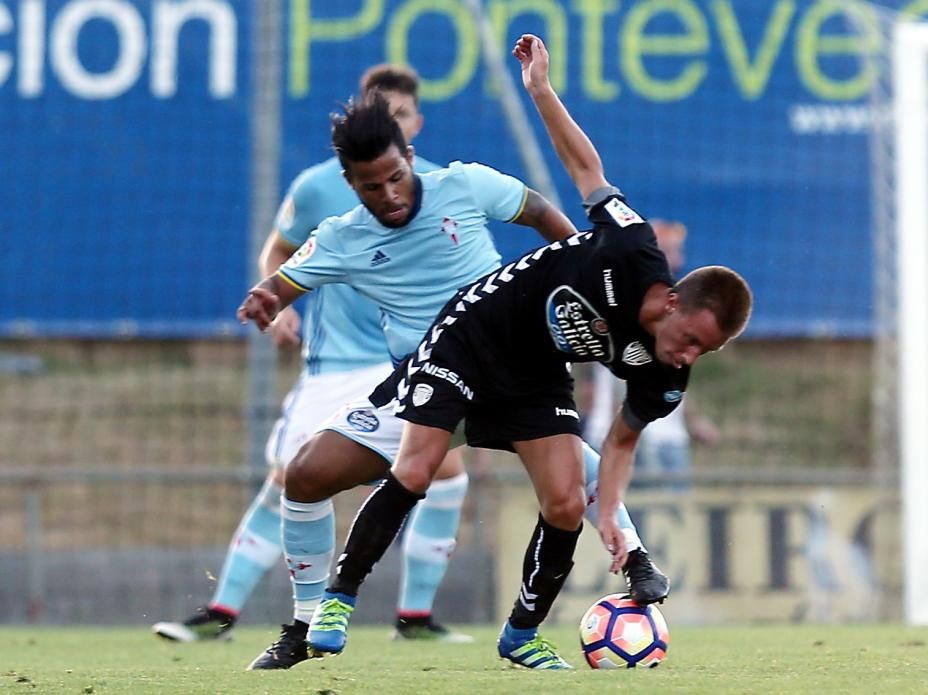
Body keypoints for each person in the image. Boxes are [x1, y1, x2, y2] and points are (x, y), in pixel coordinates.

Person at [287, 33, 752, 670]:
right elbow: (586, 169)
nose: (691, 356)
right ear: (672, 302)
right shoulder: (631, 249)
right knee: (417, 468)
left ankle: (521, 635)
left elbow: (617, 444)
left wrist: (610, 516)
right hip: (473, 332)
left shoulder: (665, 375)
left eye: (709, 352)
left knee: (565, 500)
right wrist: (541, 90)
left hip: (533, 374)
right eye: (694, 340)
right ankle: (338, 597)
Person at [236, 87, 673, 668]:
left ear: (410, 157)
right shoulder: (342, 237)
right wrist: (269, 301)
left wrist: (577, 274)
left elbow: (543, 214)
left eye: (396, 176)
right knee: (307, 474)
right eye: (372, 186)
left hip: (511, 361)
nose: (390, 194)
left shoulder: (462, 184)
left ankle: (620, 571)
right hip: (429, 378)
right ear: (351, 183)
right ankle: (305, 624)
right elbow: (284, 282)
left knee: (569, 487)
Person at [153, 65, 473, 661]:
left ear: (414, 128)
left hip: (404, 369)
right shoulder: (322, 186)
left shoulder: (441, 187)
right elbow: (277, 251)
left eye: (399, 115)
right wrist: (279, 302)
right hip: (333, 367)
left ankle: (415, 616)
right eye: (377, 111)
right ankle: (222, 611)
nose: (388, 124)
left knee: (448, 478)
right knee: (290, 481)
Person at [587, 220, 721, 489]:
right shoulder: (620, 296)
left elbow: (672, 377)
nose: (679, 259)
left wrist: (693, 420)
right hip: (621, 435)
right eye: (671, 251)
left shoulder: (677, 306)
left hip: (666, 439)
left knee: (672, 522)